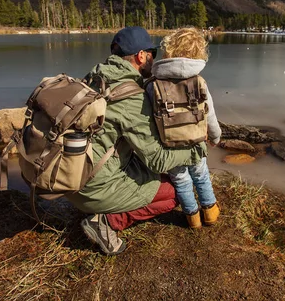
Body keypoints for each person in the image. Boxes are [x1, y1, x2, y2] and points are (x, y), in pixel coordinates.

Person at [66, 26, 206, 255]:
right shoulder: (131, 97)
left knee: (155, 174)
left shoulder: (95, 77)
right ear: (142, 56)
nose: (155, 60)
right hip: (92, 188)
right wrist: (195, 150)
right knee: (175, 192)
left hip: (74, 174)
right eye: (153, 54)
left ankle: (102, 203)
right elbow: (159, 160)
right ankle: (106, 222)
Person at [146, 27, 221, 229]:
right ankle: (210, 211)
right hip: (196, 143)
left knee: (180, 180)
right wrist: (215, 137)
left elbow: (149, 121)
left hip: (169, 146)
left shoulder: (153, 85)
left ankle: (192, 217)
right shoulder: (199, 81)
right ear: (199, 54)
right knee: (201, 175)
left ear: (168, 50)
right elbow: (210, 114)